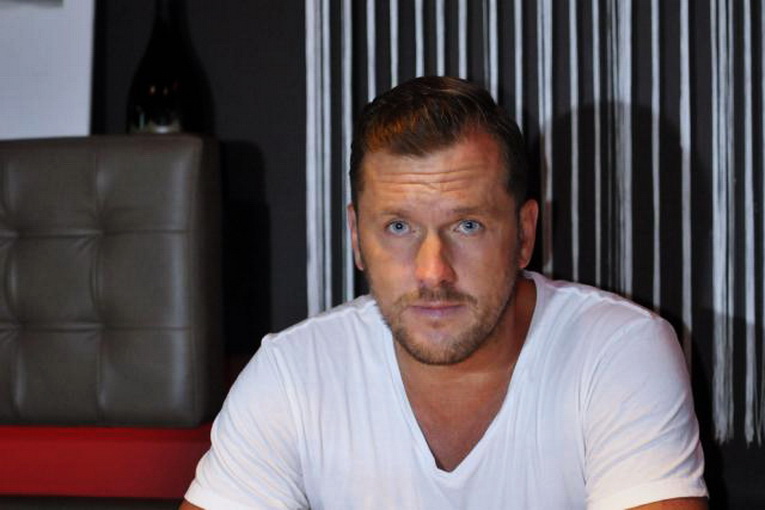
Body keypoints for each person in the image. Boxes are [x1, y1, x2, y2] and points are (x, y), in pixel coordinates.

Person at [181, 76, 707, 509]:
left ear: (524, 234)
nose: (434, 272)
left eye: (467, 226)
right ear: (357, 238)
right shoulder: (292, 376)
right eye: (399, 227)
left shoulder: (616, 352)